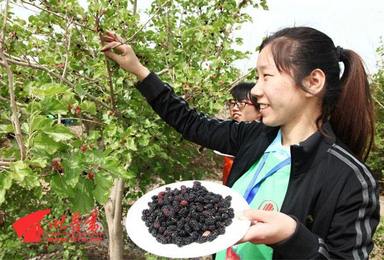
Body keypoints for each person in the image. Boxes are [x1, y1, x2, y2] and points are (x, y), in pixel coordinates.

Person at [101, 26, 379, 259]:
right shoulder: (255, 137)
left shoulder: (350, 180)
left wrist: (293, 237)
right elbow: (190, 122)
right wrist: (138, 70)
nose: (256, 90)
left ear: (313, 82)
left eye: (266, 76)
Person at [218, 83, 261, 184]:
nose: (234, 108)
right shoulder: (230, 135)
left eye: (241, 103)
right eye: (232, 103)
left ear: (260, 108)